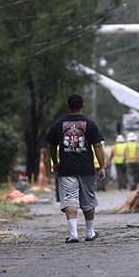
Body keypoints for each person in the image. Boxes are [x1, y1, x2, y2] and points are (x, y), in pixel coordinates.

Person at [47, 94, 106, 243]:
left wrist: (55, 162)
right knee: (88, 200)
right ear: (82, 106)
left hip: (66, 169)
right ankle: (89, 232)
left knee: (70, 200)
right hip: (86, 168)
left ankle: (73, 234)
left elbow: (52, 146)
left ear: (68, 106)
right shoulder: (91, 124)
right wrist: (102, 167)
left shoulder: (58, 124)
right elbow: (98, 146)